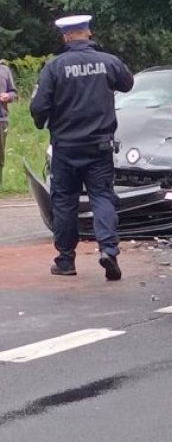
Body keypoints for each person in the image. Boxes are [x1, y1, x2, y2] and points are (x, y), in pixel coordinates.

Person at [30, 15, 134, 279]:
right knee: (102, 196)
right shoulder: (108, 61)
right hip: (99, 146)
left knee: (64, 202)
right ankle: (108, 250)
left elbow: (39, 106)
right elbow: (128, 83)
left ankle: (66, 261)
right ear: (88, 32)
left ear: (65, 36)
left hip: (66, 147)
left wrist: (41, 121)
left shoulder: (54, 67)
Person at [0, 59, 18, 186]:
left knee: (0, 157)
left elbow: (14, 93)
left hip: (1, 119)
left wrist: (8, 96)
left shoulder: (4, 70)